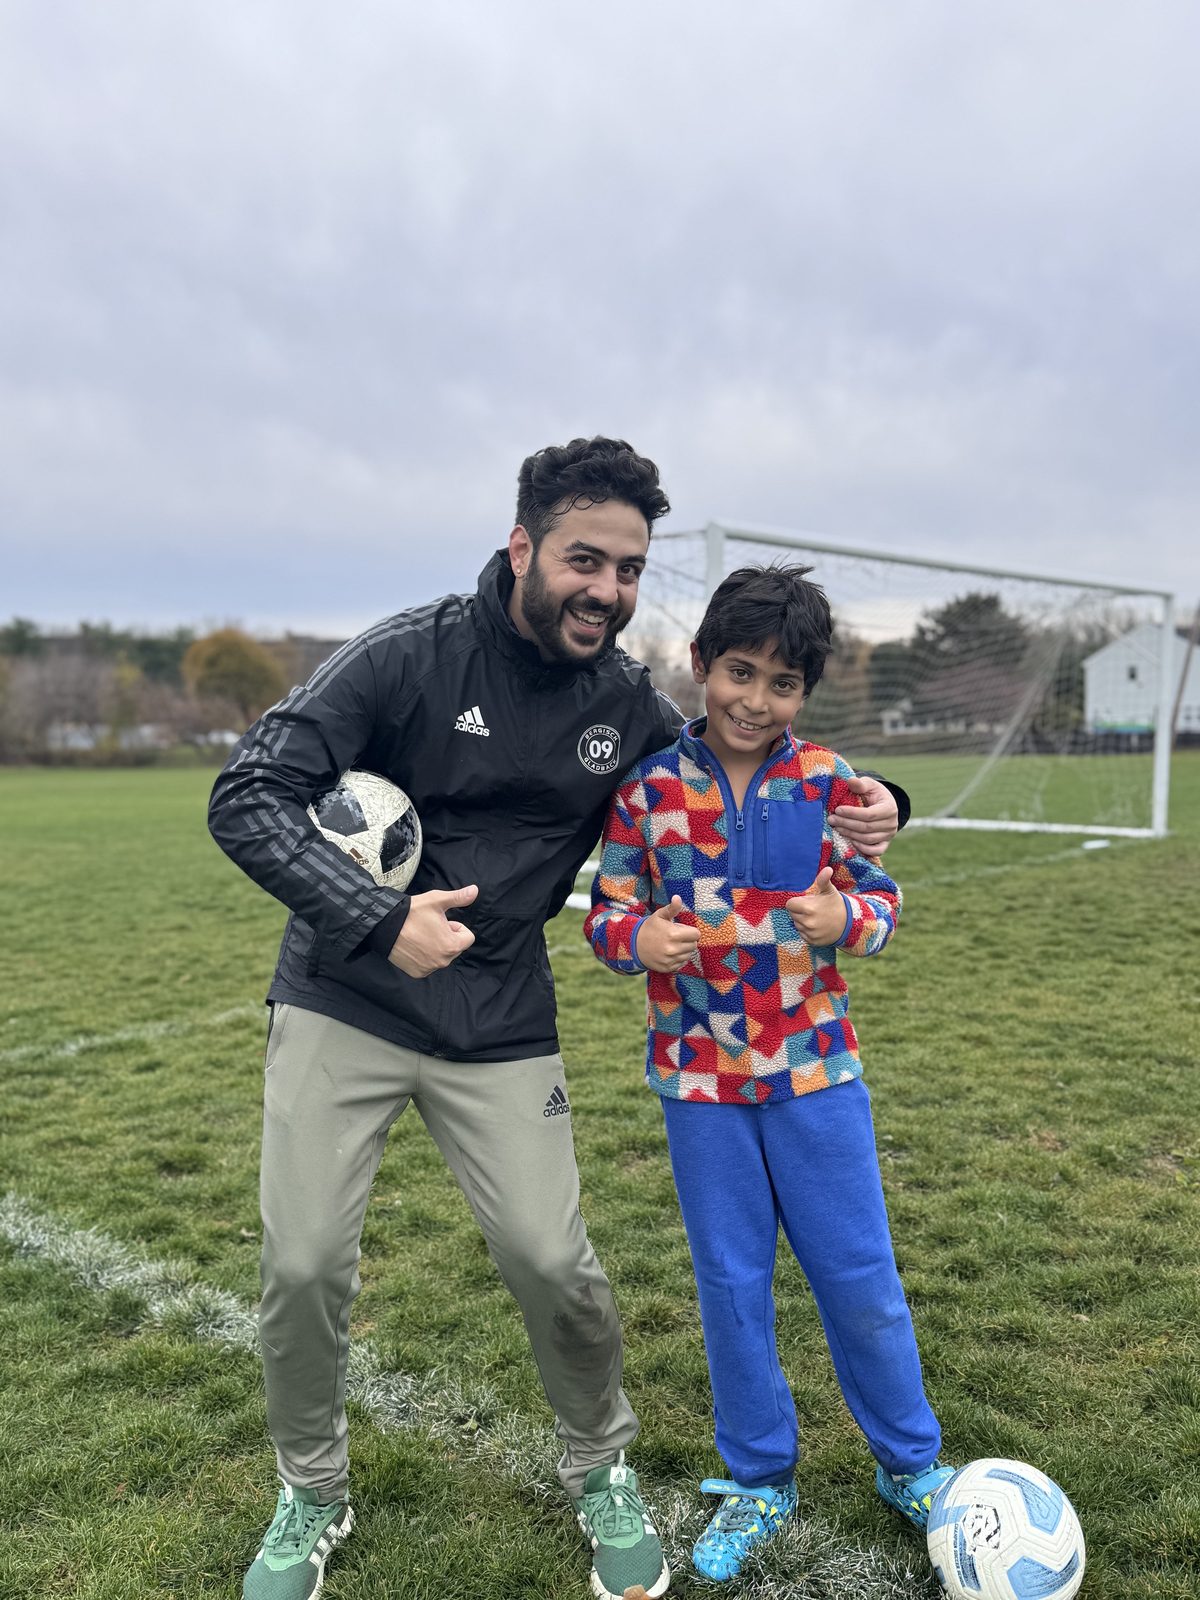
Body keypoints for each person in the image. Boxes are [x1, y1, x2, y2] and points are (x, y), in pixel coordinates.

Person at [208, 438, 904, 1600]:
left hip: (498, 1015)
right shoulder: (405, 656)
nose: (607, 589)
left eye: (629, 569)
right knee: (303, 1260)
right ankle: (311, 1490)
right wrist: (376, 918)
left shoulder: (623, 703)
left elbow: (739, 757)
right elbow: (247, 793)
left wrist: (886, 804)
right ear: (523, 546)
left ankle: (601, 1469)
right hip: (348, 995)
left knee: (553, 1263)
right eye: (586, 559)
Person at [585, 563, 953, 1584]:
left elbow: (881, 901)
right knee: (731, 1284)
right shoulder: (647, 791)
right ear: (701, 663)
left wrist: (849, 918)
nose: (755, 700)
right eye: (739, 673)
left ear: (804, 693)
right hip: (699, 1086)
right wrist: (636, 940)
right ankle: (758, 1476)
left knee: (860, 1277)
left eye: (782, 683)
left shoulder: (831, 783)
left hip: (816, 1075)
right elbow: (607, 913)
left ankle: (911, 1462)